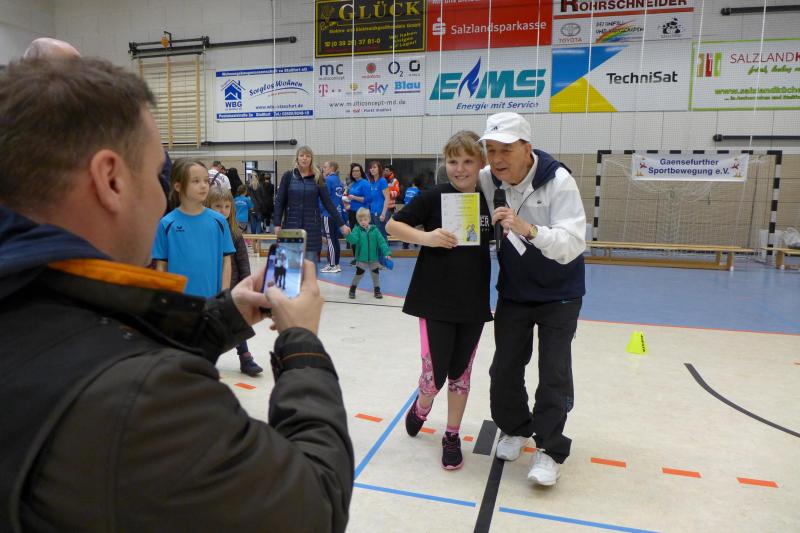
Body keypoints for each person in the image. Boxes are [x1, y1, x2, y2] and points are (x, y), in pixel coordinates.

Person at [0, 57, 353, 531]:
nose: (161, 195)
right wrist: (302, 347)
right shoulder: (146, 400)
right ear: (111, 180)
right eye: (158, 177)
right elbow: (313, 508)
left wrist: (222, 316)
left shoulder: (27, 297)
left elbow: (93, 336)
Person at [478, 112, 586, 487]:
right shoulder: (488, 178)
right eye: (491, 150)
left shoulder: (559, 181)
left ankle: (550, 449)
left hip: (560, 294)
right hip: (515, 292)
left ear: (527, 148)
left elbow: (573, 243)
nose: (497, 159)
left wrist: (530, 230)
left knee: (553, 373)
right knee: (504, 369)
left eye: (505, 150)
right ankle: (515, 427)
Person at [386, 131, 493, 470]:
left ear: (481, 164)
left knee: (461, 374)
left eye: (468, 161)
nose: (459, 169)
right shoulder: (434, 197)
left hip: (473, 303)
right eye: (452, 161)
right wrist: (427, 237)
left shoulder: (491, 199)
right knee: (434, 377)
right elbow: (392, 226)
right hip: (434, 301)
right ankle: (422, 404)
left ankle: (451, 435)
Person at [152, 158, 235, 298]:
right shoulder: (166, 223)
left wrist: (224, 293)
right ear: (178, 186)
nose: (203, 186)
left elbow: (226, 260)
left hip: (211, 301)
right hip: (178, 302)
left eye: (206, 181)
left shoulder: (219, 222)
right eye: (196, 181)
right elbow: (162, 265)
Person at [206, 187, 264, 376]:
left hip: (232, 287)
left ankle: (245, 357)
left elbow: (243, 262)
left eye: (226, 206)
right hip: (210, 286)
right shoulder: (203, 233)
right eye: (217, 206)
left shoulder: (235, 234)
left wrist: (246, 285)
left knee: (236, 321)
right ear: (208, 206)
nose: (223, 210)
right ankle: (205, 359)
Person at [273, 146, 350, 265]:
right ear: (297, 158)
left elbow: (328, 203)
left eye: (308, 156)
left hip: (312, 230)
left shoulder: (318, 177)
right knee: (291, 268)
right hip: (291, 227)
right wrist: (277, 223)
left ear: (311, 159)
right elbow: (279, 201)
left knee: (310, 268)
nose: (304, 158)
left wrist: (342, 224)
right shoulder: (288, 176)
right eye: (302, 155)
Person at [345, 208, 391, 300]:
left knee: (375, 275)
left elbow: (382, 242)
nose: (363, 222)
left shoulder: (375, 230)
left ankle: (377, 290)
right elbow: (353, 240)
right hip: (361, 258)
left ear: (369, 219)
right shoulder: (357, 230)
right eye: (360, 220)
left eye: (365, 219)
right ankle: (352, 289)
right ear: (358, 221)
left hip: (373, 258)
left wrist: (387, 252)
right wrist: (348, 235)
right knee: (359, 275)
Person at [320, 161, 345, 273]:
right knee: (334, 239)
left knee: (330, 240)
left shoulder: (328, 180)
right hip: (336, 214)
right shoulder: (338, 181)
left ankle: (332, 264)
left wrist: (321, 209)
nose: (323, 169)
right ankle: (336, 263)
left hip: (328, 213)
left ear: (331, 168)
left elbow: (325, 198)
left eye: (325, 167)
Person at [344, 163, 371, 263]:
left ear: (361, 172)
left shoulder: (364, 183)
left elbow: (368, 199)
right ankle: (357, 257)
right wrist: (348, 205)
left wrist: (354, 198)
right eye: (353, 171)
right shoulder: (354, 183)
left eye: (357, 171)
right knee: (354, 235)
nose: (355, 173)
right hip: (352, 212)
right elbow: (351, 199)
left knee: (362, 236)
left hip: (362, 214)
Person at [367, 160, 389, 238]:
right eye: (371, 168)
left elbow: (387, 197)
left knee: (381, 237)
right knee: (374, 237)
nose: (372, 169)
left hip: (380, 213)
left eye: (374, 167)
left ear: (379, 169)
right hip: (372, 213)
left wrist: (383, 214)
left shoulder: (382, 181)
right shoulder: (372, 183)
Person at [401, 176, 423, 249]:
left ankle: (406, 244)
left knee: (407, 227)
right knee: (413, 227)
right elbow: (419, 202)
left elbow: (405, 199)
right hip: (413, 211)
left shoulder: (408, 189)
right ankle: (411, 243)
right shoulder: (418, 191)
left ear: (413, 183)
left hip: (405, 210)